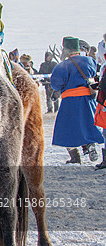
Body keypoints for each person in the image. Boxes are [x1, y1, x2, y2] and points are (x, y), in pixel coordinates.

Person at [50, 36, 101, 164]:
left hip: (70, 102)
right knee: (88, 125)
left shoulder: (62, 66)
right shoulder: (89, 61)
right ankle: (90, 145)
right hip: (88, 100)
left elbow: (56, 85)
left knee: (66, 129)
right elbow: (93, 73)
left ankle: (75, 157)